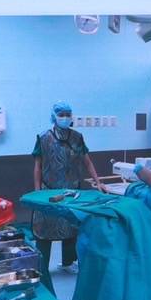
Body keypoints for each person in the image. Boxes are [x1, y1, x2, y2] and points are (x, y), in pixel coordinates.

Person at [31, 101, 105, 271]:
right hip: (48, 191)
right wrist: (37, 191)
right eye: (61, 115)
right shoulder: (43, 138)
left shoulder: (77, 137)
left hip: (72, 191)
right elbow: (38, 166)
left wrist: (98, 182)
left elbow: (87, 161)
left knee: (71, 227)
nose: (65, 118)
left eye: (67, 115)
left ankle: (68, 263)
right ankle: (42, 268)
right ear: (54, 116)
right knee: (44, 228)